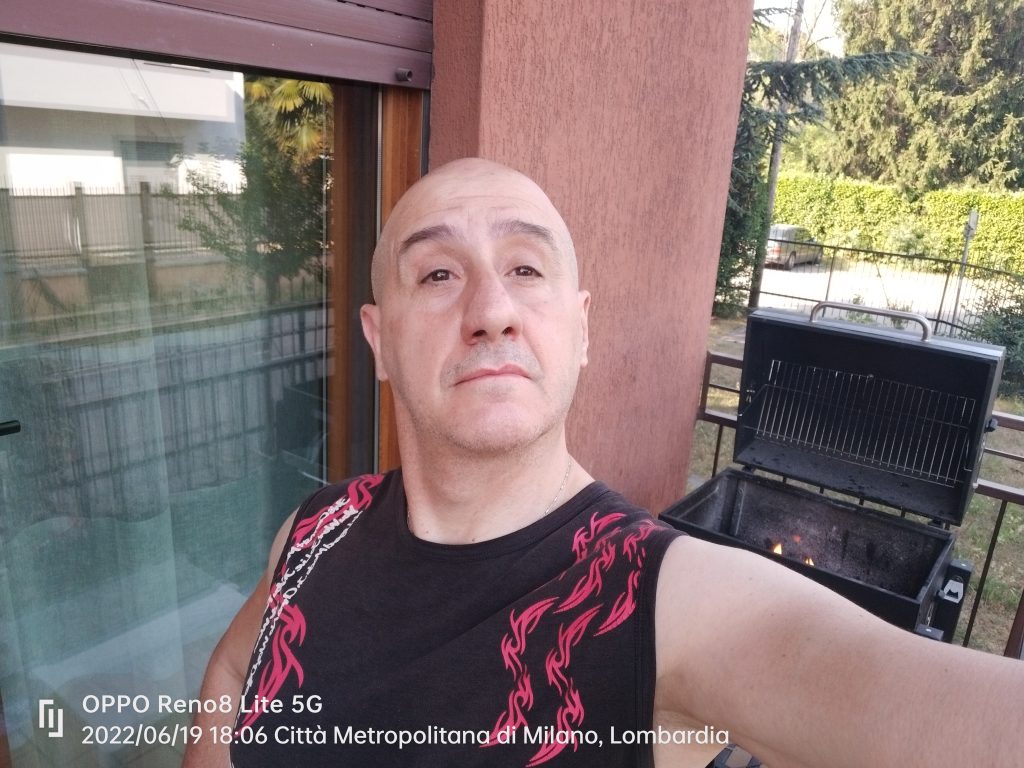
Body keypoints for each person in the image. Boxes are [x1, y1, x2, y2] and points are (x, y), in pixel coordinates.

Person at [183, 158, 1024, 768]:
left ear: (581, 328)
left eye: (526, 268)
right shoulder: (315, 532)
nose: (491, 309)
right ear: (379, 340)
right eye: (437, 274)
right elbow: (228, 671)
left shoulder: (659, 600)